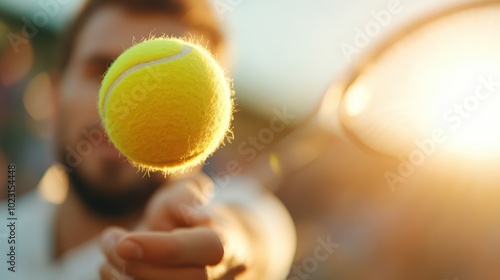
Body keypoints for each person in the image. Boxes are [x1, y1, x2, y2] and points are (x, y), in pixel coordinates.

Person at [0, 0, 296, 279]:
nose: (129, 105)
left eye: (170, 85)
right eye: (103, 72)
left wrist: (228, 248)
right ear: (54, 96)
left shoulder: (222, 210)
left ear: (210, 128)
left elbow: (256, 231)